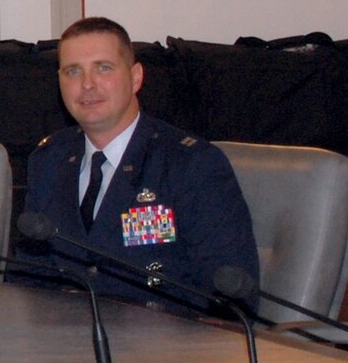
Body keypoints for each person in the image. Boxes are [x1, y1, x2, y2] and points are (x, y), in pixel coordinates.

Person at [19, 17, 258, 306]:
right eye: (73, 71)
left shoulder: (190, 164)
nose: (87, 85)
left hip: (167, 344)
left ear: (135, 78)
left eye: (103, 68)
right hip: (65, 342)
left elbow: (231, 297)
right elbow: (26, 282)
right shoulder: (49, 160)